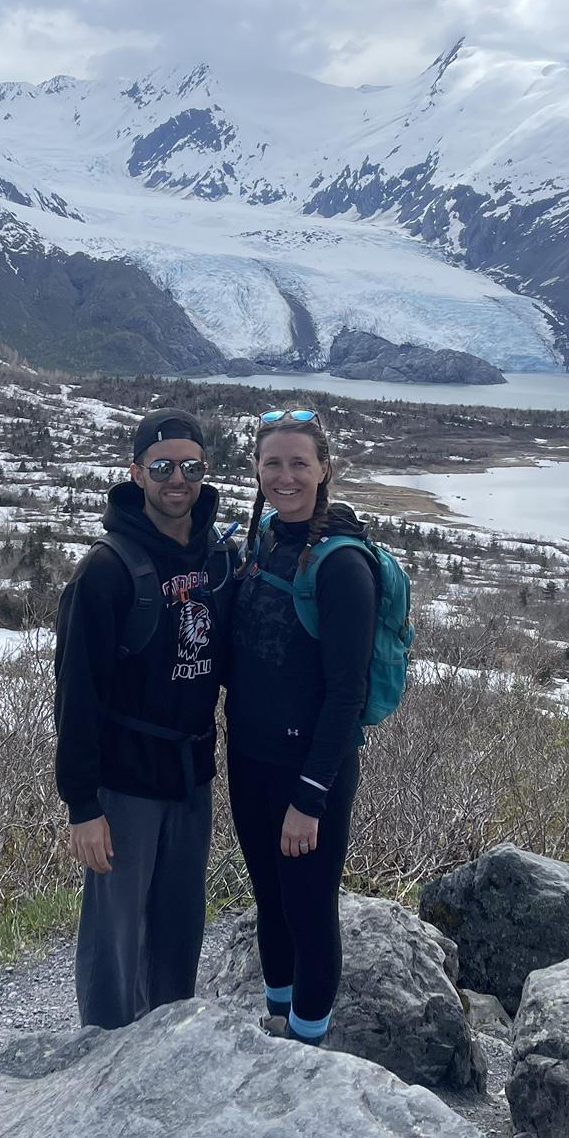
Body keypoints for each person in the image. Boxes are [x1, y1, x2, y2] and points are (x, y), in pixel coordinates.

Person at [53, 407, 235, 1029]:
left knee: (180, 929)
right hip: (126, 785)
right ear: (136, 473)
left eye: (190, 466)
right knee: (116, 938)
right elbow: (76, 696)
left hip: (191, 779)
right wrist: (82, 805)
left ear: (205, 472)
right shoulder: (104, 572)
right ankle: (102, 1061)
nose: (176, 479)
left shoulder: (218, 558)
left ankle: (166, 1049)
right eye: (161, 467)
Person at [226, 408, 377, 1046]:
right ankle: (278, 1016)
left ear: (323, 472)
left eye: (299, 463)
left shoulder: (343, 566)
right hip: (249, 757)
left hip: (308, 770)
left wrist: (309, 799)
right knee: (270, 897)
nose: (285, 476)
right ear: (257, 471)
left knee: (309, 909)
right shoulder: (263, 542)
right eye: (272, 463)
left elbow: (348, 694)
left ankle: (308, 1045)